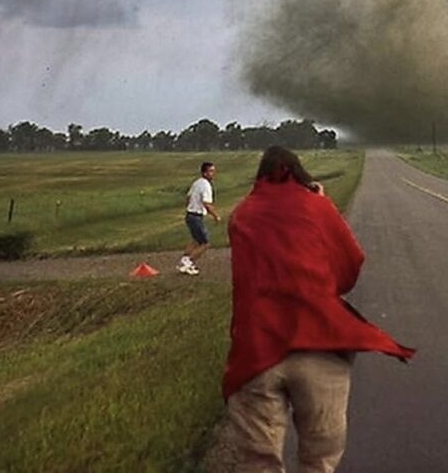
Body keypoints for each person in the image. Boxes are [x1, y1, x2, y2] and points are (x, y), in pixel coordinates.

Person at [223, 145, 414, 473]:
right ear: (299, 174)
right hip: (319, 344)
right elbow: (350, 261)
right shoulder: (316, 206)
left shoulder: (241, 214)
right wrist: (324, 288)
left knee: (257, 463)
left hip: (257, 350)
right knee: (318, 461)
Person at [177, 160, 220, 275]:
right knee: (205, 243)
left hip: (190, 215)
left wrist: (189, 207)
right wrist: (216, 216)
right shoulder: (206, 185)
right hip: (196, 216)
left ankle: (184, 260)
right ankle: (189, 263)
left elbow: (188, 197)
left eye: (213, 171)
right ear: (204, 173)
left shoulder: (196, 183)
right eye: (210, 171)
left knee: (196, 240)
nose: (213, 174)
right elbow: (206, 203)